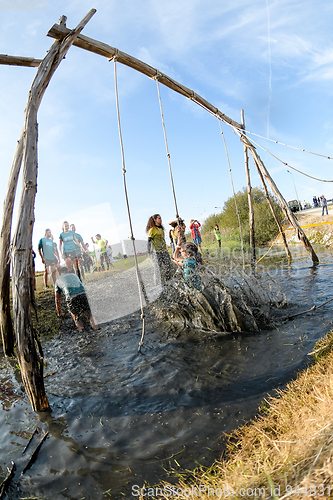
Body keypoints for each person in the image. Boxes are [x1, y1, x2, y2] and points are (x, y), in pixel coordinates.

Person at [55, 266, 98, 332]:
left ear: (59, 274)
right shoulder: (73, 275)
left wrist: (59, 313)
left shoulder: (58, 279)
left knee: (76, 317)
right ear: (68, 271)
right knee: (90, 315)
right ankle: (96, 328)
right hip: (83, 294)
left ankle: (81, 332)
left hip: (71, 297)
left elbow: (57, 299)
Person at [147, 214, 173, 284]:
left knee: (169, 265)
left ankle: (167, 281)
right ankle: (157, 283)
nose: (160, 219)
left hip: (164, 251)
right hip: (156, 252)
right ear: (155, 220)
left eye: (161, 218)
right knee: (158, 269)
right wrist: (149, 252)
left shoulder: (161, 229)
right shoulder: (152, 230)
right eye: (159, 218)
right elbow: (149, 241)